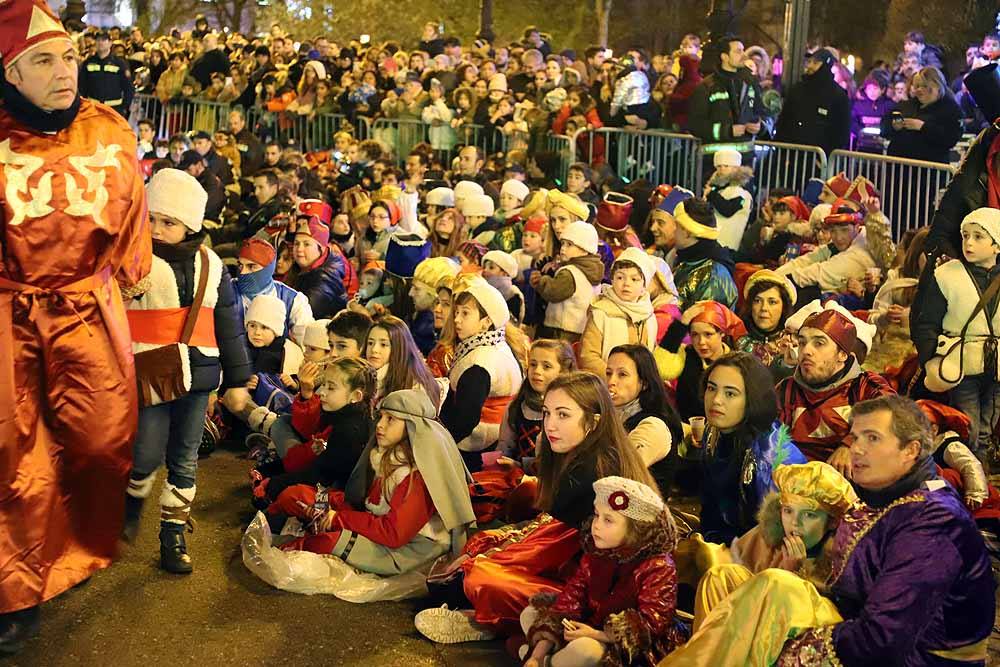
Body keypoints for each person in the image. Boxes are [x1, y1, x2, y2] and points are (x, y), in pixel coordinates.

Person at [0, 2, 153, 651]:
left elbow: (130, 214)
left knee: (99, 441)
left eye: (68, 57)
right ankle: (15, 591)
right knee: (16, 459)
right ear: (10, 72)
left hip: (88, 310)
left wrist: (137, 263)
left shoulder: (110, 128)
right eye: (44, 60)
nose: (65, 71)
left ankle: (79, 542)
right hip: (9, 315)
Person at [662, 396, 996, 666]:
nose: (857, 449)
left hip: (915, 657)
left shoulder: (933, 522)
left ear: (910, 451)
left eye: (873, 438)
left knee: (775, 589)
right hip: (856, 624)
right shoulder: (890, 497)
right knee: (725, 580)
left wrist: (795, 649)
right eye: (855, 438)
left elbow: (882, 640)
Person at [414, 372, 657, 643]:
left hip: (593, 589)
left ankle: (488, 620)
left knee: (476, 577)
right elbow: (550, 534)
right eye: (547, 413)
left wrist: (490, 560)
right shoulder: (581, 455)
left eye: (563, 415)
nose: (550, 425)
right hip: (566, 557)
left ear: (594, 421)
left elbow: (578, 561)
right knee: (480, 548)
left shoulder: (597, 469)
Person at [123, 168, 251, 573]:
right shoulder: (132, 262)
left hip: (199, 375)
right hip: (150, 373)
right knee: (145, 451)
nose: (158, 229)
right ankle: (130, 501)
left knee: (185, 459)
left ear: (190, 224)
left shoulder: (212, 266)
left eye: (170, 222)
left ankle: (172, 535)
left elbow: (228, 323)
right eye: (152, 219)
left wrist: (235, 380)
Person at [267, 389, 476, 576]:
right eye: (381, 417)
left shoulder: (418, 476)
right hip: (374, 520)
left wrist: (336, 519)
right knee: (297, 495)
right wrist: (326, 505)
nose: (380, 426)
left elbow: (393, 533)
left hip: (411, 548)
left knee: (327, 543)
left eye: (391, 419)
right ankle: (278, 526)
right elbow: (365, 500)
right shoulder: (386, 455)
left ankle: (283, 547)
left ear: (413, 427)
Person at [519, 477, 685, 667]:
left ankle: (554, 660)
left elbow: (650, 626)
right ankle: (545, 659)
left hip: (632, 649)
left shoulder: (658, 566)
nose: (596, 525)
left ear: (636, 530)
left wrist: (595, 634)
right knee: (530, 614)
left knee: (585, 651)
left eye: (608, 520)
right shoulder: (596, 555)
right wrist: (537, 655)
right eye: (597, 515)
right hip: (590, 626)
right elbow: (569, 602)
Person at [691, 460, 856, 631]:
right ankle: (709, 652)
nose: (794, 523)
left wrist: (792, 575)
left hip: (799, 637)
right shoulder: (770, 535)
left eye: (809, 515)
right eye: (788, 510)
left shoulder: (843, 560)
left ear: (833, 522)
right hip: (750, 622)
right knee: (720, 576)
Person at [913, 207, 1000, 457]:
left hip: (997, 366)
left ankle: (979, 472)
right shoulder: (947, 276)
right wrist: (931, 360)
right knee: (968, 423)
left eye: (978, 237)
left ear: (997, 245)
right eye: (965, 235)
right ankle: (969, 467)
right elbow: (926, 322)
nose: (968, 242)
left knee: (988, 425)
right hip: (960, 362)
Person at [697, 352, 807, 546]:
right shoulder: (713, 432)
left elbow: (775, 536)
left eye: (730, 393)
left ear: (752, 399)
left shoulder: (769, 457)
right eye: (711, 388)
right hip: (723, 540)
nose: (716, 400)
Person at [777, 303, 893, 465]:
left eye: (819, 343)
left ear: (842, 355)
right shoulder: (786, 390)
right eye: (803, 342)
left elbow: (893, 416)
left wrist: (852, 443)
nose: (806, 351)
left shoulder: (865, 387)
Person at [441, 277, 523, 472]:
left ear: (486, 322)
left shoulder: (480, 362)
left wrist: (439, 443)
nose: (456, 319)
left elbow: (465, 420)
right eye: (457, 312)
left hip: (477, 443)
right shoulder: (497, 345)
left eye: (465, 314)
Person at [606, 345, 684, 492]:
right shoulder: (614, 414)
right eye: (608, 373)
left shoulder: (652, 426)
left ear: (644, 383)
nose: (611, 381)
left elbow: (617, 474)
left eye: (622, 374)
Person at [580, 247, 658, 377]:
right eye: (620, 277)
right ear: (612, 279)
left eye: (634, 279)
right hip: (608, 385)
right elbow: (589, 356)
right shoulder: (602, 313)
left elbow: (651, 353)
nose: (626, 284)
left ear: (644, 284)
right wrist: (615, 378)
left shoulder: (649, 316)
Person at [672, 301, 746, 421]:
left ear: (722, 333)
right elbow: (662, 366)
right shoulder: (685, 355)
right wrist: (681, 324)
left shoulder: (737, 363)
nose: (701, 342)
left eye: (708, 334)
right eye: (695, 335)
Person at [532, 220, 605, 342]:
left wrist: (541, 281)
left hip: (559, 331)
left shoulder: (570, 272)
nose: (563, 249)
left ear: (584, 249)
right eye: (563, 243)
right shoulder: (592, 270)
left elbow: (553, 292)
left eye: (569, 244)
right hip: (579, 330)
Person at [687, 36, 765, 144]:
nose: (744, 55)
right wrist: (727, 131)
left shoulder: (751, 84)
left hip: (745, 157)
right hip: (716, 157)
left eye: (743, 50)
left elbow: (763, 112)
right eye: (738, 51)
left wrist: (760, 127)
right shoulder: (707, 86)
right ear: (725, 57)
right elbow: (695, 125)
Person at [774, 49, 850, 155]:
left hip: (819, 159)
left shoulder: (837, 95)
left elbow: (841, 131)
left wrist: (826, 156)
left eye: (815, 63)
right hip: (792, 156)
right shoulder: (798, 89)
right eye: (809, 62)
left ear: (826, 65)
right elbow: (785, 120)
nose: (809, 66)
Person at [882, 66, 962, 164]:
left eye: (924, 86)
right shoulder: (906, 105)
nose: (919, 89)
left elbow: (950, 138)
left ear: (937, 86)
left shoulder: (950, 109)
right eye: (917, 86)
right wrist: (893, 126)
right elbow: (885, 125)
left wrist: (922, 127)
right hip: (899, 169)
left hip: (930, 171)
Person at [669, 198, 738, 311]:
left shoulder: (714, 276)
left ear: (687, 232)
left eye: (676, 225)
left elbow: (704, 326)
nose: (672, 229)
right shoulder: (686, 260)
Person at [736, 270, 797, 381]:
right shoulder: (737, 341)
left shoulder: (794, 344)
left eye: (772, 302)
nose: (764, 308)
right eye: (757, 301)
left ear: (784, 307)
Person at [285, 215, 347, 319]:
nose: (299, 249)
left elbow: (302, 313)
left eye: (306, 244)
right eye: (296, 244)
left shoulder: (326, 278)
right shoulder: (299, 268)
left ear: (321, 249)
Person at [77, 29, 134, 117]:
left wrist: (124, 107)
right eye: (98, 40)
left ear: (110, 43)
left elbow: (128, 88)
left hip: (114, 109)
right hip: (93, 109)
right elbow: (82, 86)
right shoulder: (88, 63)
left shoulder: (119, 63)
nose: (100, 43)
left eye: (104, 40)